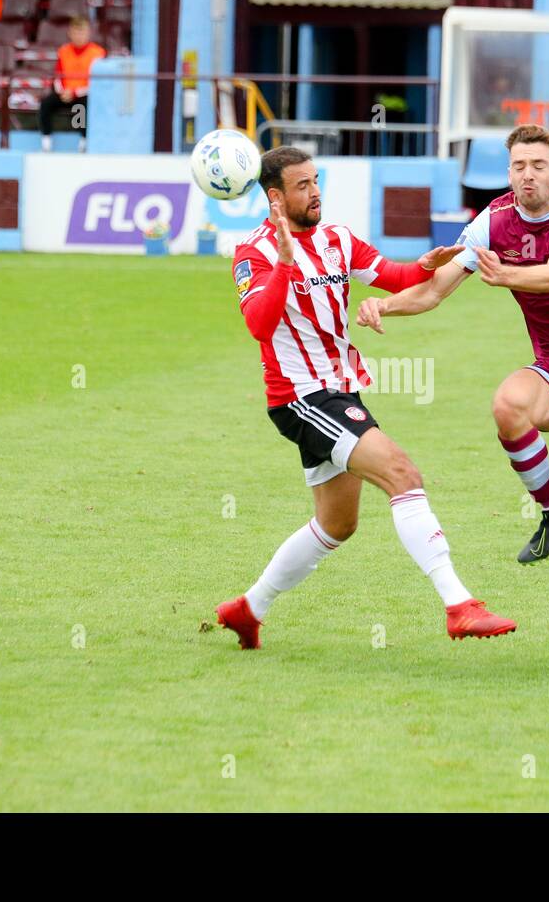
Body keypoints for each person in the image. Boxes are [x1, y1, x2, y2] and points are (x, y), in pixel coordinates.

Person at [357, 125, 549, 662]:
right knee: (507, 405)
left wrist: (503, 276)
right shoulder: (493, 221)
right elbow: (435, 288)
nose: (528, 176)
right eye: (518, 166)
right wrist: (384, 305)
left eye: (539, 165)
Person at [214, 147, 518, 649]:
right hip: (302, 397)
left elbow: (394, 277)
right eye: (302, 186)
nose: (315, 193)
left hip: (337, 390)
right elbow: (259, 325)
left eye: (316, 181)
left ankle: (249, 608)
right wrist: (287, 265)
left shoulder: (336, 238)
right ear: (274, 197)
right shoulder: (255, 253)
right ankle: (460, 605)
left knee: (337, 523)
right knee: (402, 474)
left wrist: (426, 263)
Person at [39, 17, 105, 153]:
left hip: (84, 94)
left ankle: (83, 141)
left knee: (83, 106)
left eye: (82, 32)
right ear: (70, 33)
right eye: (76, 32)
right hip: (65, 93)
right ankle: (46, 140)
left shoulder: (98, 53)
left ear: (88, 33)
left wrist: (75, 93)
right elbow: (58, 76)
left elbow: (97, 83)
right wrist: (63, 91)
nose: (79, 36)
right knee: (46, 103)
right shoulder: (64, 51)